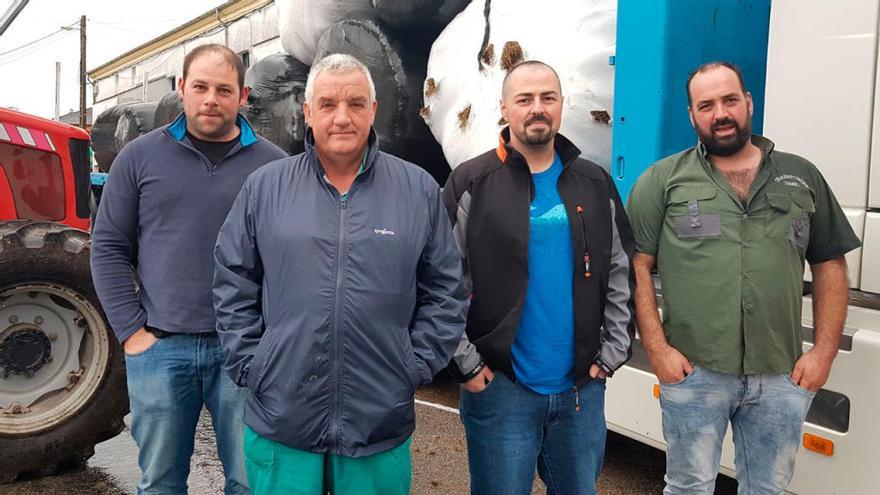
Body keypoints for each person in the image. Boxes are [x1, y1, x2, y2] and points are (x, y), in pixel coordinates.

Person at [212, 53, 468, 495]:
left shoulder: (418, 189)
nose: (342, 118)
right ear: (307, 113)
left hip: (377, 420)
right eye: (328, 105)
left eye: (355, 103)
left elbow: (446, 287)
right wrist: (254, 363)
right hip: (283, 415)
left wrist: (415, 361)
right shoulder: (266, 188)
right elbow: (233, 278)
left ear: (373, 110)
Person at [627, 61, 861, 494]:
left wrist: (823, 353)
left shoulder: (801, 176)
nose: (720, 113)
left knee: (767, 490)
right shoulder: (662, 180)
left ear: (748, 102)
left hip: (780, 373)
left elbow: (830, 262)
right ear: (692, 115)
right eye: (706, 104)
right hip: (695, 370)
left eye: (730, 99)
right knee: (689, 486)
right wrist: (656, 350)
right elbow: (637, 264)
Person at [91, 43, 287, 494]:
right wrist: (131, 332)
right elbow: (107, 246)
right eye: (199, 86)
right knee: (160, 482)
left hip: (244, 352)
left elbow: (292, 258)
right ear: (181, 88)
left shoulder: (275, 167)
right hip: (160, 348)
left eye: (224, 89)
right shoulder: (139, 159)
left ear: (244, 96)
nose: (210, 99)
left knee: (250, 480)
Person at [442, 60, 636, 495]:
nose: (537, 108)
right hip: (501, 386)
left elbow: (621, 268)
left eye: (548, 98)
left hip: (580, 389)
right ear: (504, 108)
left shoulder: (594, 181)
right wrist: (466, 363)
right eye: (524, 99)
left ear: (562, 106)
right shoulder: (472, 181)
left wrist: (613, 352)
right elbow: (442, 280)